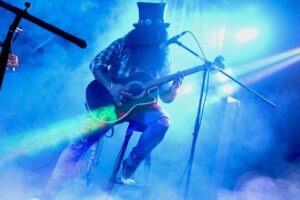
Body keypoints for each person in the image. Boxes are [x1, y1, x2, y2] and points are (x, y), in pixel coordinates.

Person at [39, 2, 182, 199]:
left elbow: (166, 98)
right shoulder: (122, 44)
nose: (156, 36)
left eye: (159, 31)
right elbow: (96, 64)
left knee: (163, 121)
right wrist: (112, 86)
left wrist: (175, 88)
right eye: (152, 31)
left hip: (140, 108)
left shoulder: (164, 60)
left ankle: (131, 162)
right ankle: (49, 192)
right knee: (79, 143)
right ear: (140, 31)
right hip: (109, 103)